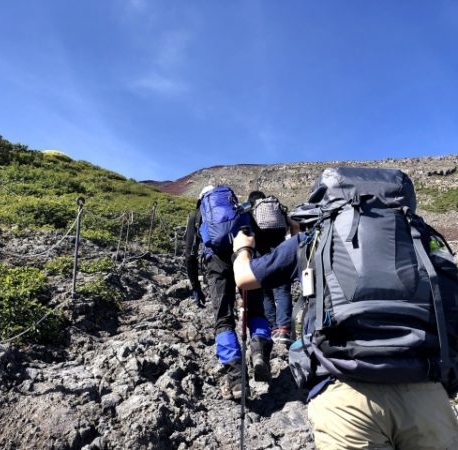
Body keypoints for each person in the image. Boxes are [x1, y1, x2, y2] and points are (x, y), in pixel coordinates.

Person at [232, 169, 458, 449]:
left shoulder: (313, 238)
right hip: (425, 392)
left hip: (343, 392)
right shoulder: (423, 239)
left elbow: (244, 278)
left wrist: (243, 248)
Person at [185, 185, 272, 400]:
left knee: (223, 320)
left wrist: (196, 287)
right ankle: (259, 350)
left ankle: (236, 379)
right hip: (245, 258)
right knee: (256, 311)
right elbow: (257, 238)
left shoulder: (197, 215)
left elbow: (189, 254)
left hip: (215, 265)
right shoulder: (240, 210)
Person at [247, 191, 293, 346]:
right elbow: (289, 226)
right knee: (282, 291)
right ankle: (284, 329)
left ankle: (273, 328)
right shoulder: (275, 209)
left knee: (265, 292)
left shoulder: (252, 211)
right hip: (281, 252)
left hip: (261, 256)